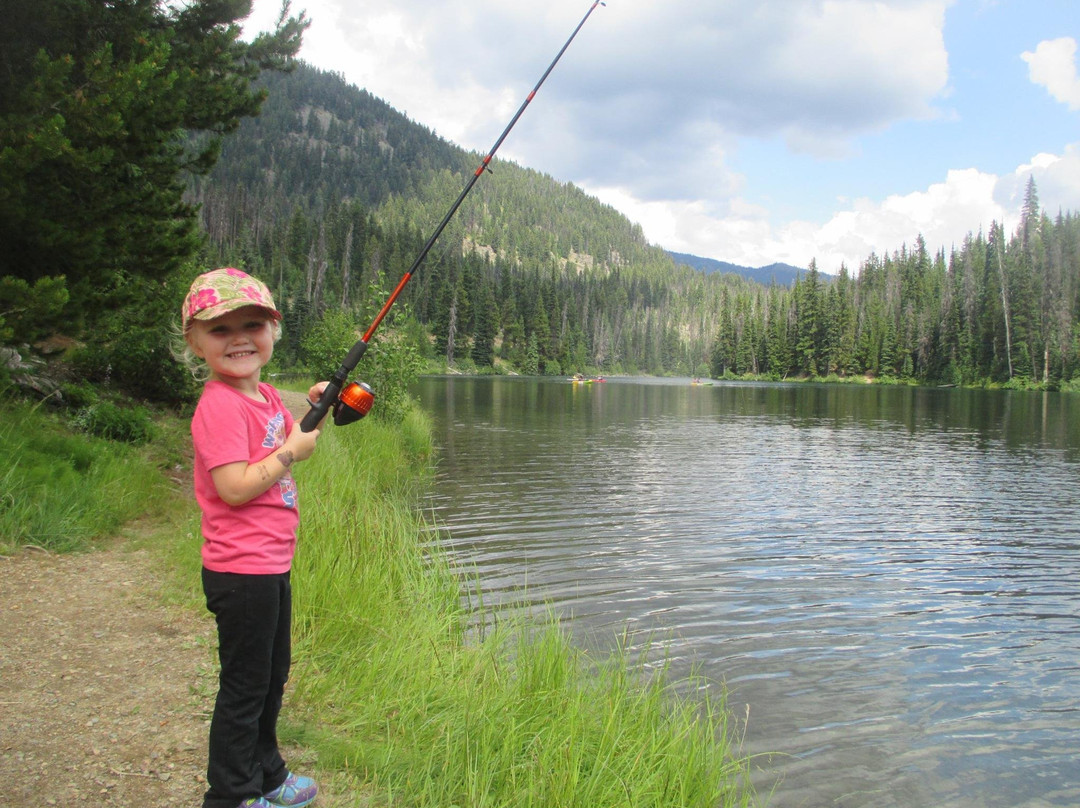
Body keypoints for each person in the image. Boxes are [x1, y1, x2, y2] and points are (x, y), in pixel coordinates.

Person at [178, 267, 327, 808]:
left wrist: (320, 402)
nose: (239, 338)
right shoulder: (219, 405)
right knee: (245, 687)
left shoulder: (263, 395)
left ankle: (266, 774)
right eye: (220, 329)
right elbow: (236, 487)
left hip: (269, 565)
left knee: (270, 678)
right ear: (195, 343)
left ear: (272, 333)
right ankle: (231, 794)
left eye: (253, 325)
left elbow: (292, 436)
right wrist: (289, 454)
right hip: (240, 571)